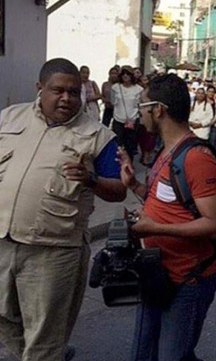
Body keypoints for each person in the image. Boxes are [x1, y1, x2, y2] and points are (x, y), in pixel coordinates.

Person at [0, 58, 126, 361]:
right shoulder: (9, 118)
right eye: (58, 91)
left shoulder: (99, 136)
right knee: (5, 321)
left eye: (74, 92)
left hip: (54, 251)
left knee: (45, 337)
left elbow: (119, 190)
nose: (67, 98)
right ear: (40, 89)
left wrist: (91, 180)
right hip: (3, 242)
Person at [118, 74, 216, 361]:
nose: (138, 113)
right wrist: (134, 186)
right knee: (143, 354)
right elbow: (169, 203)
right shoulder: (166, 151)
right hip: (157, 273)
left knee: (172, 356)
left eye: (142, 105)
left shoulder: (196, 157)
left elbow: (215, 225)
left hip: (188, 280)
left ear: (158, 109)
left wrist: (155, 226)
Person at [111, 65, 143, 159]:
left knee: (130, 145)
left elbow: (140, 105)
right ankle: (118, 163)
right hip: (118, 119)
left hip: (133, 120)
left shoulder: (138, 89)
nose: (125, 76)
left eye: (128, 74)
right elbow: (113, 102)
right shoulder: (115, 87)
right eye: (123, 74)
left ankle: (129, 163)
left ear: (131, 75)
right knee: (118, 143)